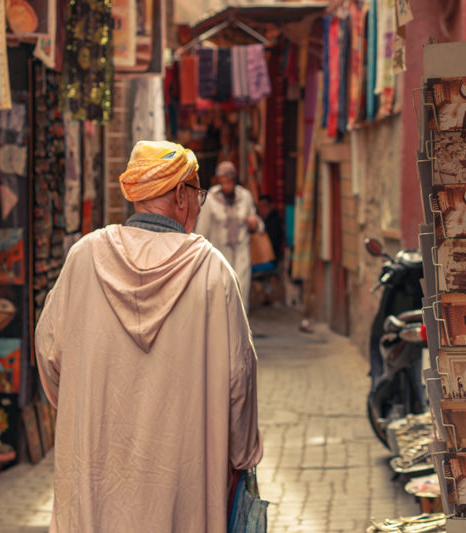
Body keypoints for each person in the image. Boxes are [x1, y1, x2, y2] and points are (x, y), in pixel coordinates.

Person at [34, 141, 262, 532]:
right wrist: (241, 455)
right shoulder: (212, 272)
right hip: (184, 484)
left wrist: (82, 407)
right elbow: (239, 378)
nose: (198, 204)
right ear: (179, 194)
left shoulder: (84, 258)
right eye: (197, 194)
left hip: (96, 477)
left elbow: (49, 353)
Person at [195, 161, 263, 311]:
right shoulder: (210, 198)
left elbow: (258, 224)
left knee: (241, 293)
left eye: (229, 182)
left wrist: (255, 223)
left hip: (241, 254)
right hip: (218, 256)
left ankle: (241, 333)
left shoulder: (245, 196)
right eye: (223, 182)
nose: (226, 186)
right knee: (220, 298)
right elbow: (201, 231)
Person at [256, 195, 283, 265]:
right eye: (259, 207)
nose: (261, 210)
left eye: (264, 206)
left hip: (270, 261)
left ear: (271, 206)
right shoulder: (260, 221)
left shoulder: (274, 223)